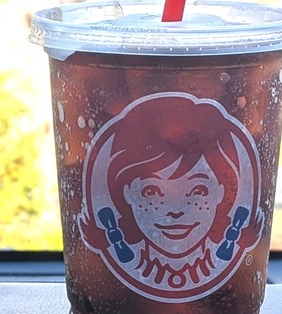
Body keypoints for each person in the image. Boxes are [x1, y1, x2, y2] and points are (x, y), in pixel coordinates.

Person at [80, 93, 262, 301]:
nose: (175, 210)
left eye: (198, 191)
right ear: (127, 194)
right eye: (152, 191)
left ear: (222, 192)